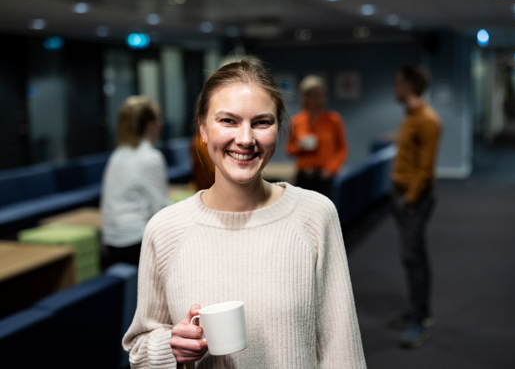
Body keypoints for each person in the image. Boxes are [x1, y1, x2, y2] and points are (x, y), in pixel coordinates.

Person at [123, 60, 366, 368]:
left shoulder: (315, 215)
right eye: (228, 121)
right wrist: (171, 347)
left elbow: (342, 349)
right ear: (203, 129)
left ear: (278, 128)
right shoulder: (165, 228)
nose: (246, 139)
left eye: (262, 122)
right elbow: (140, 348)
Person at [388, 65, 442, 349]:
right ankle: (418, 309)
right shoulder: (410, 117)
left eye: (398, 83)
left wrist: (409, 201)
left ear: (409, 86)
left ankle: (420, 321)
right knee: (411, 258)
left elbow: (426, 168)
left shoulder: (427, 120)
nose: (395, 88)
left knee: (415, 258)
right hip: (403, 197)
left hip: (414, 199)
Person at [100, 95, 169, 270]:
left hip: (110, 243)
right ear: (149, 124)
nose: (162, 122)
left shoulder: (117, 154)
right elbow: (161, 210)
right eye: (159, 117)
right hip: (134, 244)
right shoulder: (150, 157)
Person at [286, 75, 348, 199]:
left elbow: (342, 149)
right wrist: (300, 147)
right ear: (306, 97)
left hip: (324, 177)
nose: (319, 99)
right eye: (315, 95)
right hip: (303, 176)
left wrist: (331, 169)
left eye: (322, 95)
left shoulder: (333, 119)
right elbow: (289, 149)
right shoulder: (297, 121)